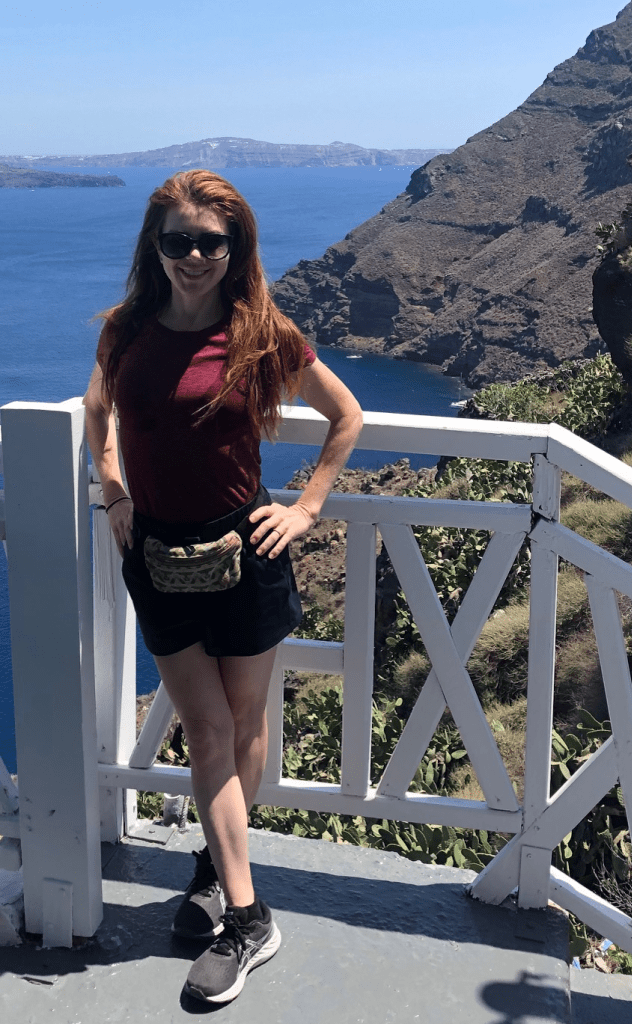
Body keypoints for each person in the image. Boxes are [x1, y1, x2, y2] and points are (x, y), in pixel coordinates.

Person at [83, 169, 362, 1004]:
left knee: (242, 725)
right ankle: (249, 917)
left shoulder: (263, 333)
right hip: (159, 557)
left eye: (213, 241)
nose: (196, 255)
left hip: (248, 551)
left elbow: (346, 416)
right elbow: (98, 416)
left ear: (237, 248)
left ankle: (214, 867)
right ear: (155, 245)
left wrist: (307, 508)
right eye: (180, 240)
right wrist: (114, 491)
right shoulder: (126, 331)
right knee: (206, 729)